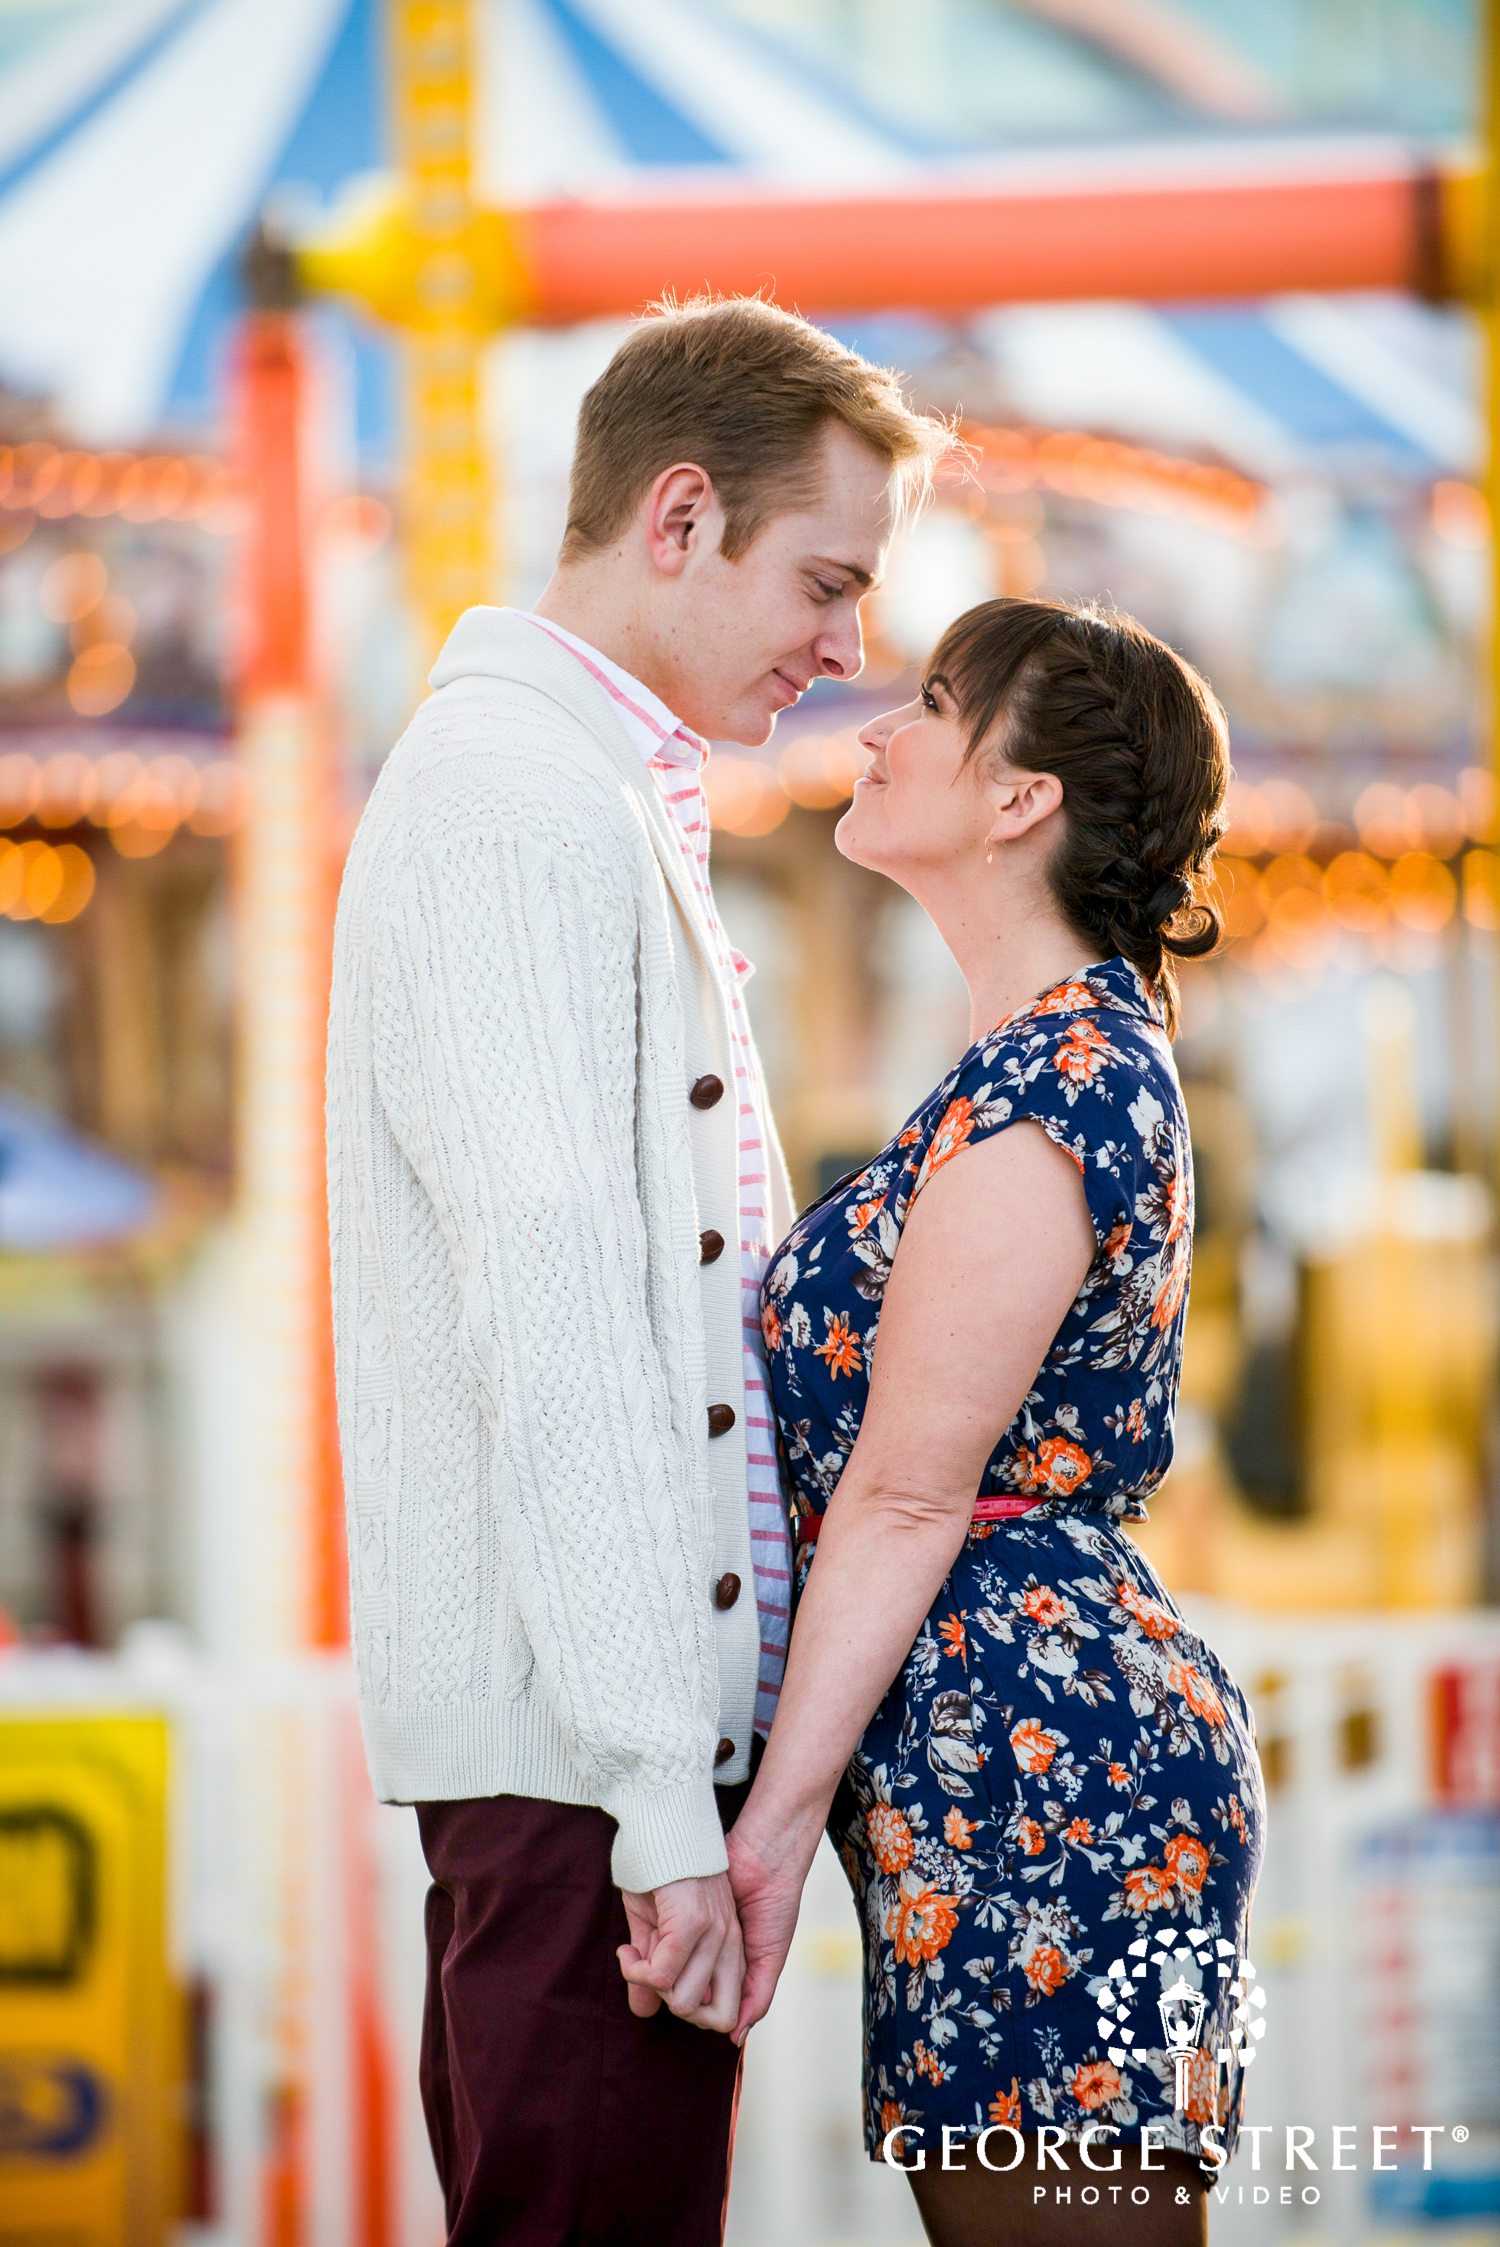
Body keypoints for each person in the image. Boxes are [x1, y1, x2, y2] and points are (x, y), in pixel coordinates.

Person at [325, 294, 949, 2245]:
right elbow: (561, 1311)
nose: (849, 645)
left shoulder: (566, 786)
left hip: (590, 1767)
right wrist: (658, 1796)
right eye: (824, 576)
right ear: (678, 515)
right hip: (582, 1778)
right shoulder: (519, 800)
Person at [728, 596, 1266, 2247]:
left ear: (1022, 797)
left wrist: (765, 1835)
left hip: (1050, 1773)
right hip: (990, 1759)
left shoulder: (1062, 1082)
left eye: (937, 704)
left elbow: (902, 1501)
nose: (882, 727)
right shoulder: (1030, 1064)